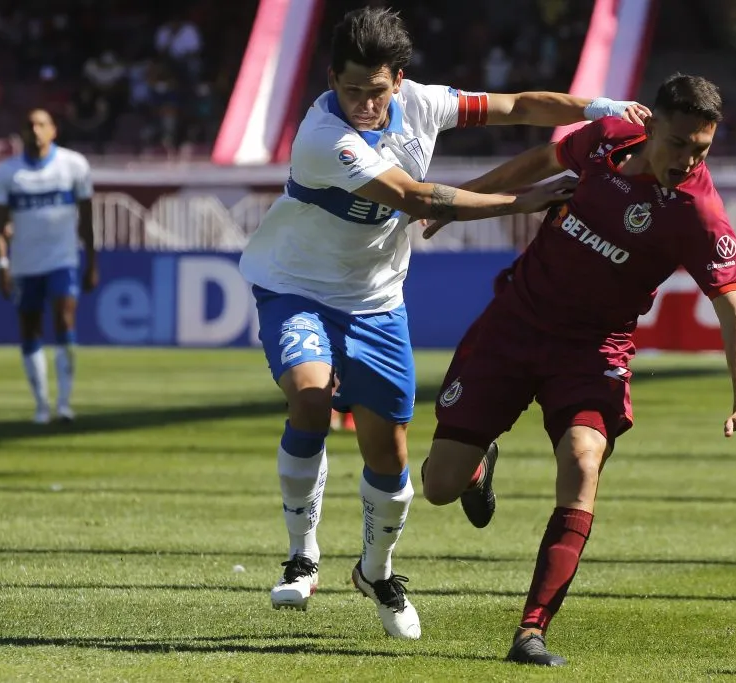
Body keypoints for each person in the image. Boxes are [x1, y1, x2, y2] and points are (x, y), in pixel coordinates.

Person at [237, 6, 649, 640]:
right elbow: (416, 198)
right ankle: (302, 555)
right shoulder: (323, 136)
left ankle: (376, 571)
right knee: (311, 395)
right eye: (349, 90)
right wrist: (523, 200)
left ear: (397, 80)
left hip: (375, 301)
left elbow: (515, 107)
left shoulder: (425, 103)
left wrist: (597, 106)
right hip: (295, 286)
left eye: (374, 92)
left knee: (390, 451)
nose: (363, 104)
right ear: (331, 80)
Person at [419, 74, 736, 665]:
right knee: (438, 488)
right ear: (651, 125)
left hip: (593, 351)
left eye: (702, 150)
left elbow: (733, 307)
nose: (688, 160)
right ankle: (477, 464)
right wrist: (463, 203)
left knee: (583, 463)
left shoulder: (698, 211)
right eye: (680, 143)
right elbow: (540, 159)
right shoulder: (608, 138)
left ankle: (531, 630)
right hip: (513, 325)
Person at [0, 108, 98, 424]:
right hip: (24, 264)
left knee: (65, 318)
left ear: (53, 130)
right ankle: (41, 405)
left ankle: (64, 404)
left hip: (62, 259)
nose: (35, 130)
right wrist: (1, 264)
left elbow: (87, 219)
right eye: (29, 125)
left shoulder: (74, 165)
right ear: (21, 133)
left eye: (41, 124)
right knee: (30, 328)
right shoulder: (9, 172)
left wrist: (92, 262)